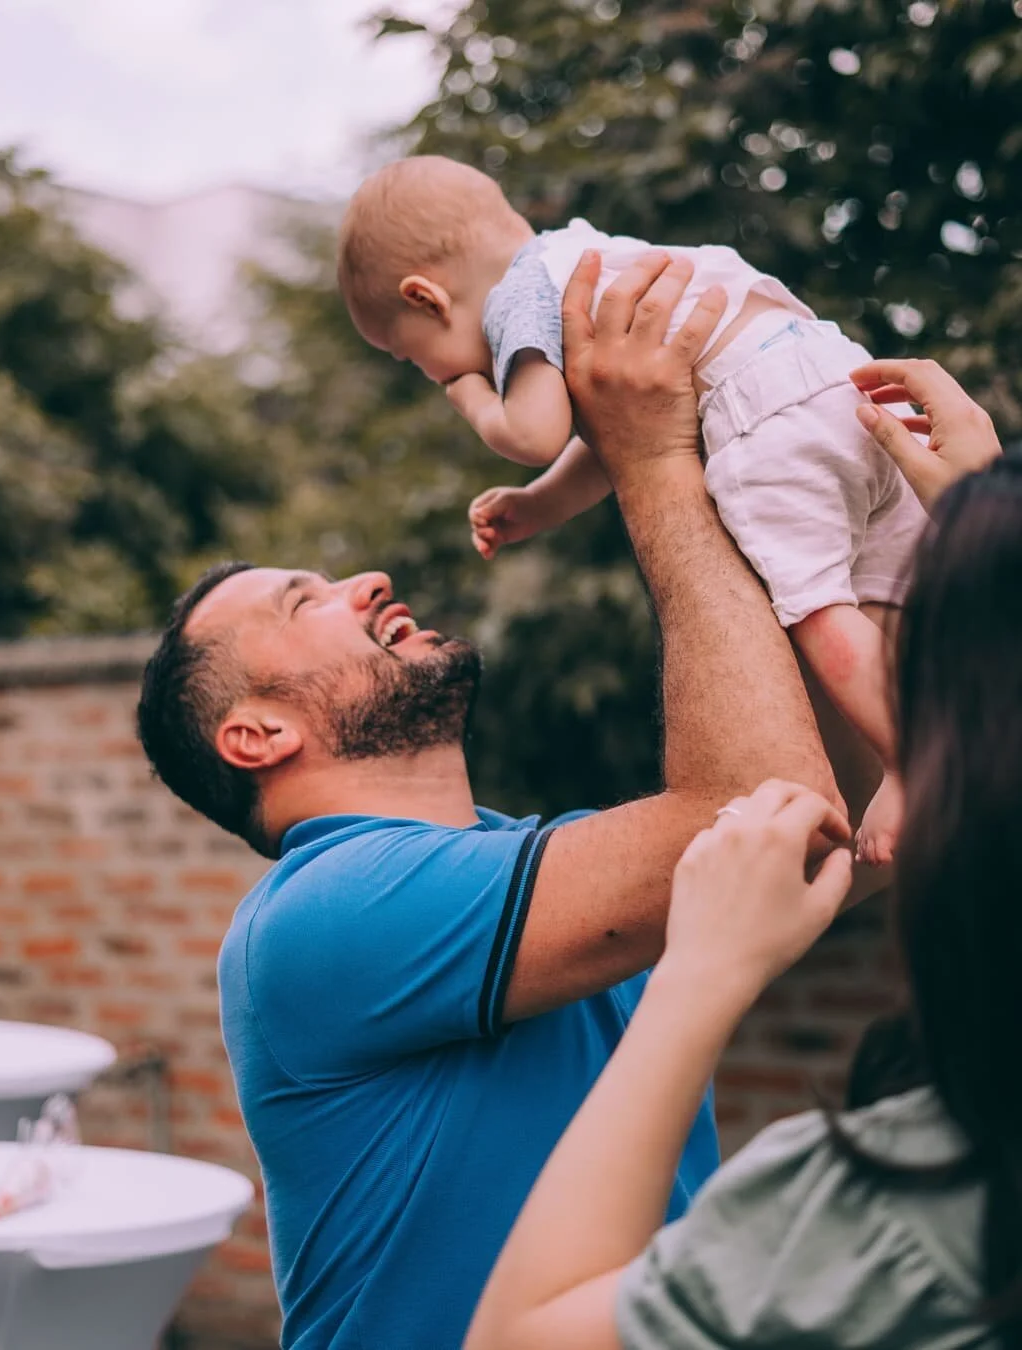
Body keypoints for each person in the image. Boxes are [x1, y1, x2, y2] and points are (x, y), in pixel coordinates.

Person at [135, 253, 843, 1350]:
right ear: (258, 735)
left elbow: (819, 821)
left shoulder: (527, 860)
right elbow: (760, 809)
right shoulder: (324, 913)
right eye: (302, 600)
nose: (363, 580)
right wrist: (651, 457)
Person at [465, 364, 1016, 1350]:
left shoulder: (928, 1203)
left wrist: (703, 972)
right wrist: (985, 527)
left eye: (921, 723)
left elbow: (516, 1339)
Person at [338, 155, 928, 867]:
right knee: (880, 593)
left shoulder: (518, 300)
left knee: (815, 606)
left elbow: (532, 433)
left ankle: (913, 762)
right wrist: (537, 507)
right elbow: (607, 435)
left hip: (767, 419)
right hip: (836, 378)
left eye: (409, 356)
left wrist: (469, 395)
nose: (429, 373)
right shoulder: (584, 254)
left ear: (428, 298)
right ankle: (923, 731)